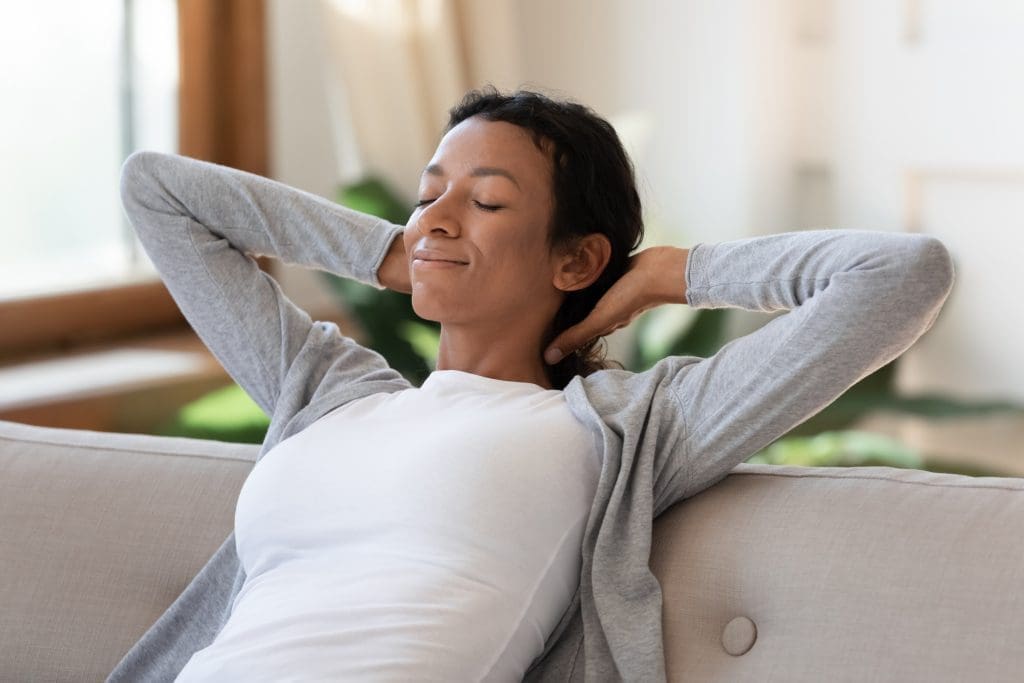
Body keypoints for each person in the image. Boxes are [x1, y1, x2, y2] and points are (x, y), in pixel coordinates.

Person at [106, 86, 955, 682]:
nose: (435, 215)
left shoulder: (622, 427)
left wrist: (666, 272)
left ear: (577, 257)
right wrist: (395, 252)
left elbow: (900, 274)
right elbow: (158, 190)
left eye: (488, 202)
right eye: (429, 193)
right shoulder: (328, 389)